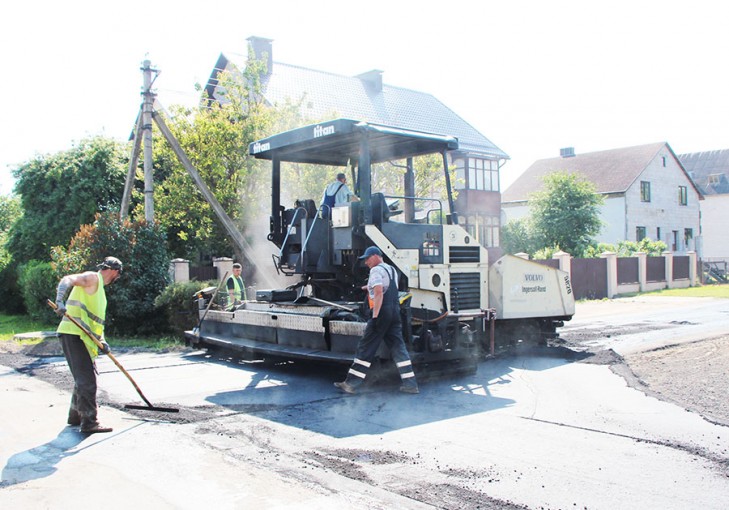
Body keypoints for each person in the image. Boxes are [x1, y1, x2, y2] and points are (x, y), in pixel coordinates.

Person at [334, 246, 419, 395]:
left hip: (382, 313)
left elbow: (379, 292)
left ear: (375, 256)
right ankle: (411, 384)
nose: (365, 262)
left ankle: (351, 384)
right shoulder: (391, 270)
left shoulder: (375, 271)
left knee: (365, 348)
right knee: (399, 348)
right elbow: (386, 287)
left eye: (367, 258)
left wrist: (375, 316)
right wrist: (366, 287)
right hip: (395, 312)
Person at [55, 256, 123, 434]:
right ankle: (89, 423)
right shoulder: (93, 278)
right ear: (115, 271)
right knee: (87, 380)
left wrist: (103, 341)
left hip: (81, 336)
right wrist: (60, 301)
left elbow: (95, 323)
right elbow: (67, 279)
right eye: (118, 275)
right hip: (73, 333)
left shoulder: (99, 288)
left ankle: (76, 416)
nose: (117, 279)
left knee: (84, 377)